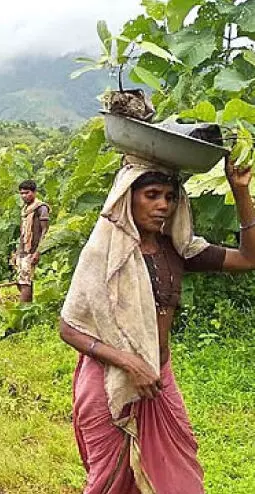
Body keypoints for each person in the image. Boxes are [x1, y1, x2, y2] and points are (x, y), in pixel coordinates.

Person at [59, 156, 255, 493]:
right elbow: (68, 328)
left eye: (170, 197)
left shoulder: (177, 249)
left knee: (178, 477)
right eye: (151, 195)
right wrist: (129, 362)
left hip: (158, 378)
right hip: (109, 382)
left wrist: (240, 191)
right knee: (111, 481)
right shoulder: (104, 253)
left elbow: (248, 258)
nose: (163, 205)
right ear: (128, 197)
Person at [15, 179, 49, 303]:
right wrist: (17, 252)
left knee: (25, 283)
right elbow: (23, 233)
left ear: (34, 192)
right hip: (23, 250)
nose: (24, 196)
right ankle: (28, 307)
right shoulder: (25, 210)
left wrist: (38, 251)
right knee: (22, 282)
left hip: (32, 250)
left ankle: (22, 309)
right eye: (22, 193)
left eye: (27, 193)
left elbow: (45, 230)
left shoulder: (41, 208)